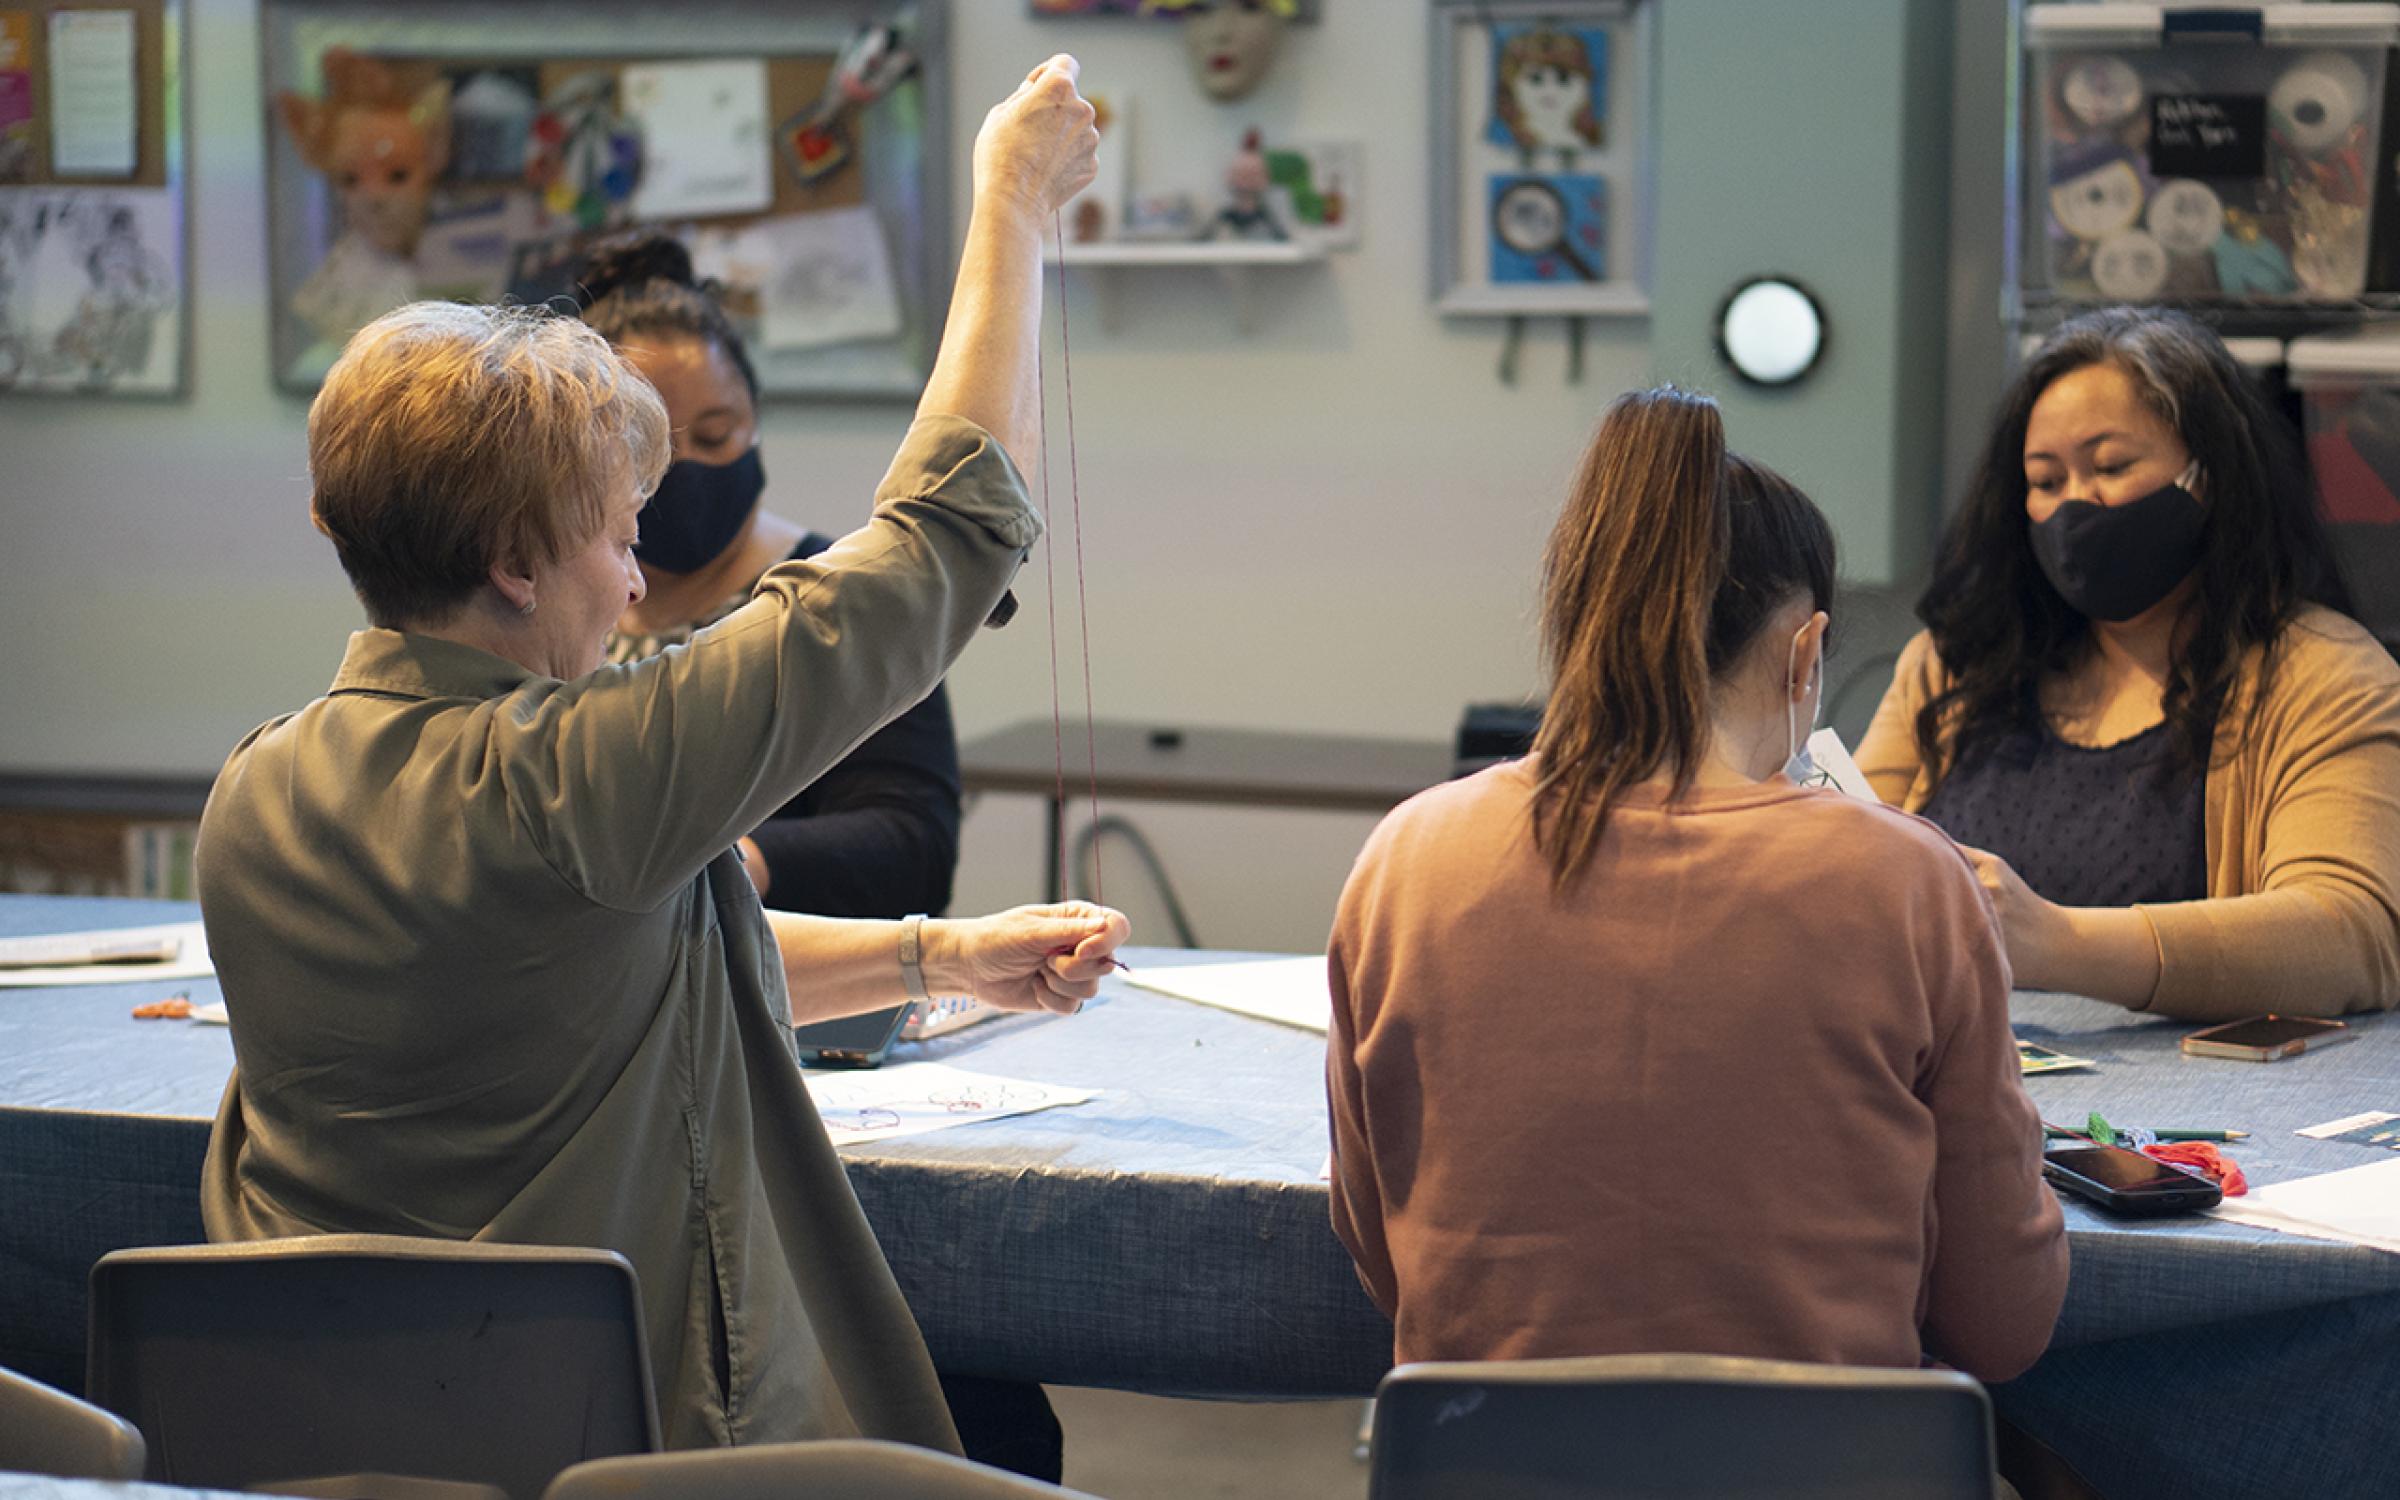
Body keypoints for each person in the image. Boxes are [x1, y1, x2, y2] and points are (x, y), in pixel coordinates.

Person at [198, 57, 1121, 1457]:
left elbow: (620, 961)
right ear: (515, 561)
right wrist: (1012, 203)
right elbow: (950, 531)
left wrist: (941, 957)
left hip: (327, 1448)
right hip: (608, 1449)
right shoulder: (581, 781)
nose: (636, 586)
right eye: (619, 539)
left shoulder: (257, 789)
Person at [1326, 388, 2066, 1386]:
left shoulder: (1406, 861)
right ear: (1805, 654)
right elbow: (2000, 1324)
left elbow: (1387, 1260)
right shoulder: (1907, 884)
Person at [1857, 306, 2400, 1020]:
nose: (2076, 505)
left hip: (2200, 1118)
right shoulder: (1954, 665)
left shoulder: (2326, 676)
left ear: (2210, 477)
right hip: (1953, 1091)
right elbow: (1846, 858)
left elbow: (2350, 935)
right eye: (2045, 481)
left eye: (2111, 467)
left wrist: (2056, 941)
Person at [579, 231, 960, 921]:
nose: (687, 467)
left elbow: (911, 846)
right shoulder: (552, 609)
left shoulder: (840, 598)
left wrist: (722, 867)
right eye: (652, 451)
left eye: (717, 436)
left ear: (754, 421)